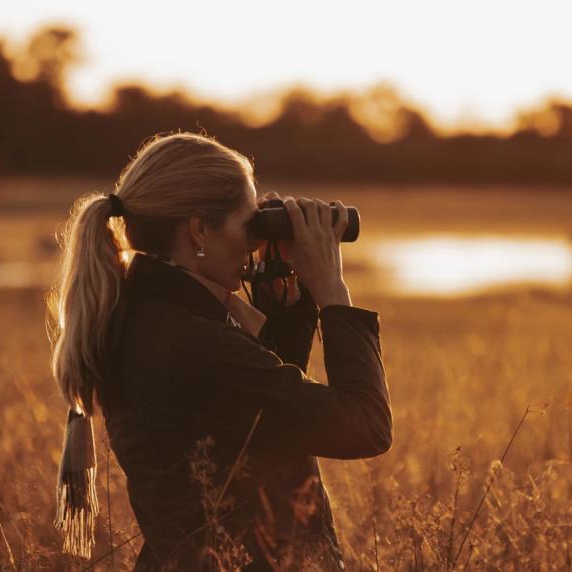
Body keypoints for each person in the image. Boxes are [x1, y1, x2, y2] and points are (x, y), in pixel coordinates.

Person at [47, 132, 392, 571]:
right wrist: (333, 296)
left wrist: (286, 309)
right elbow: (365, 426)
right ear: (200, 229)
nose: (253, 241)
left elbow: (259, 430)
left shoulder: (141, 317)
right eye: (250, 223)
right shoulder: (194, 343)